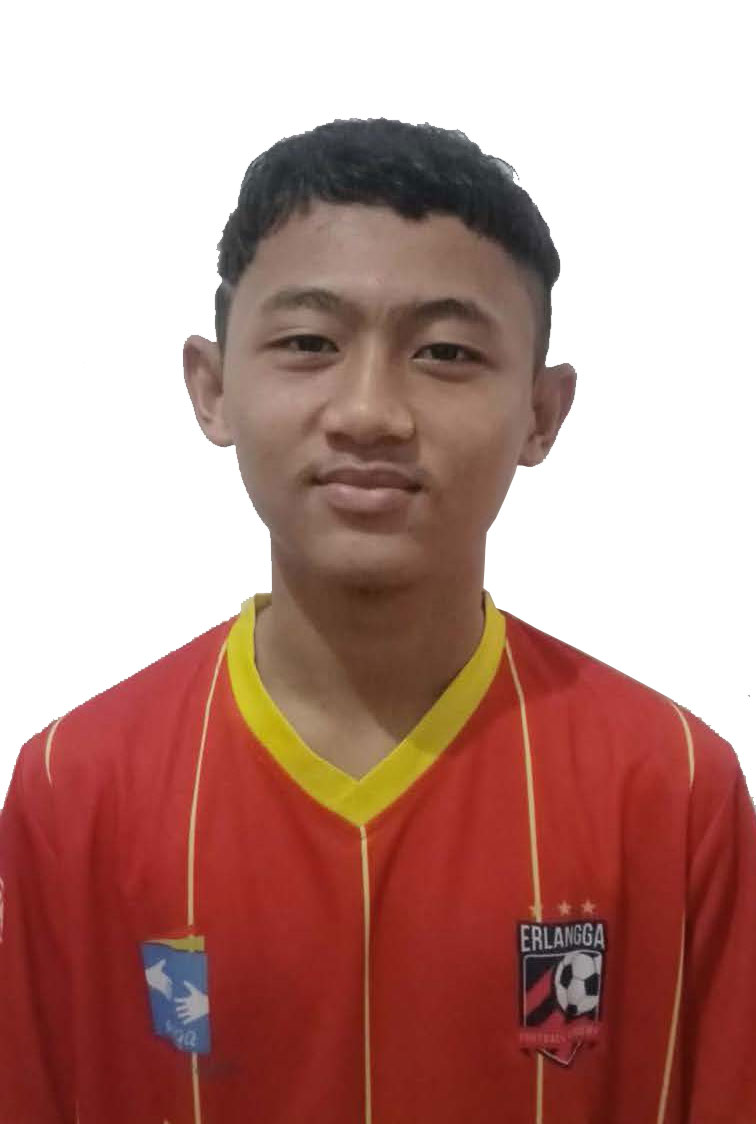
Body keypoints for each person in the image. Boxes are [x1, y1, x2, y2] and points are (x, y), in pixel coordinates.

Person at [1, 117, 754, 1124]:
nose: (369, 411)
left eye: (445, 351)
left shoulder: (672, 787)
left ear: (542, 413)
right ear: (213, 388)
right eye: (309, 343)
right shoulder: (75, 788)